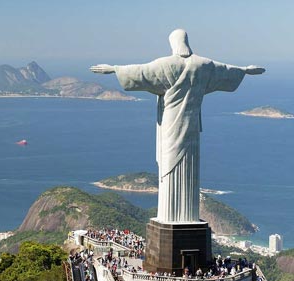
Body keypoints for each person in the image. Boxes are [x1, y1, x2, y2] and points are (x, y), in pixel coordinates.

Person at [90, 29, 264, 223]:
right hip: (191, 127)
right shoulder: (203, 65)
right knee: (188, 164)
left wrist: (114, 69)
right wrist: (245, 70)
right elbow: (225, 70)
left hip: (170, 124)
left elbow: (141, 72)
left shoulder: (165, 64)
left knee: (168, 162)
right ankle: (185, 216)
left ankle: (170, 216)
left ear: (173, 43)